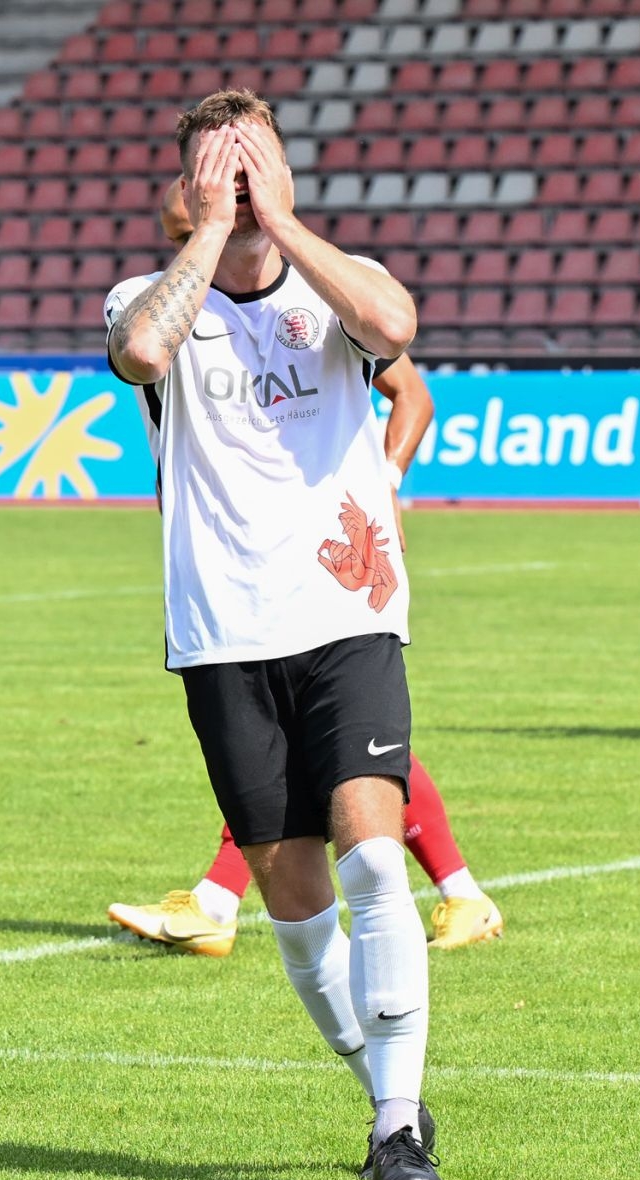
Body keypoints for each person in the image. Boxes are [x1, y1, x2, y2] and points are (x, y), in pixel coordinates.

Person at [105, 88, 443, 1180]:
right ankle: (384, 1088)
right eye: (221, 169)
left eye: (257, 166)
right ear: (187, 184)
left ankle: (398, 1123)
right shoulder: (147, 296)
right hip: (223, 632)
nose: (242, 187)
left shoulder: (336, 285)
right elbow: (140, 352)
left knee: (374, 862)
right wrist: (213, 228)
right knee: (299, 921)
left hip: (348, 612)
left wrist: (285, 223)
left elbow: (396, 330)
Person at [107, 179, 501, 958]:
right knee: (335, 743)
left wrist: (383, 485)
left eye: (199, 229)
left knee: (317, 738)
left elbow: (412, 395)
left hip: (327, 552)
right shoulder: (165, 310)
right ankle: (461, 893)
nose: (193, 245)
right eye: (179, 235)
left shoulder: (313, 302)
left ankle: (218, 902)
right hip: (234, 564)